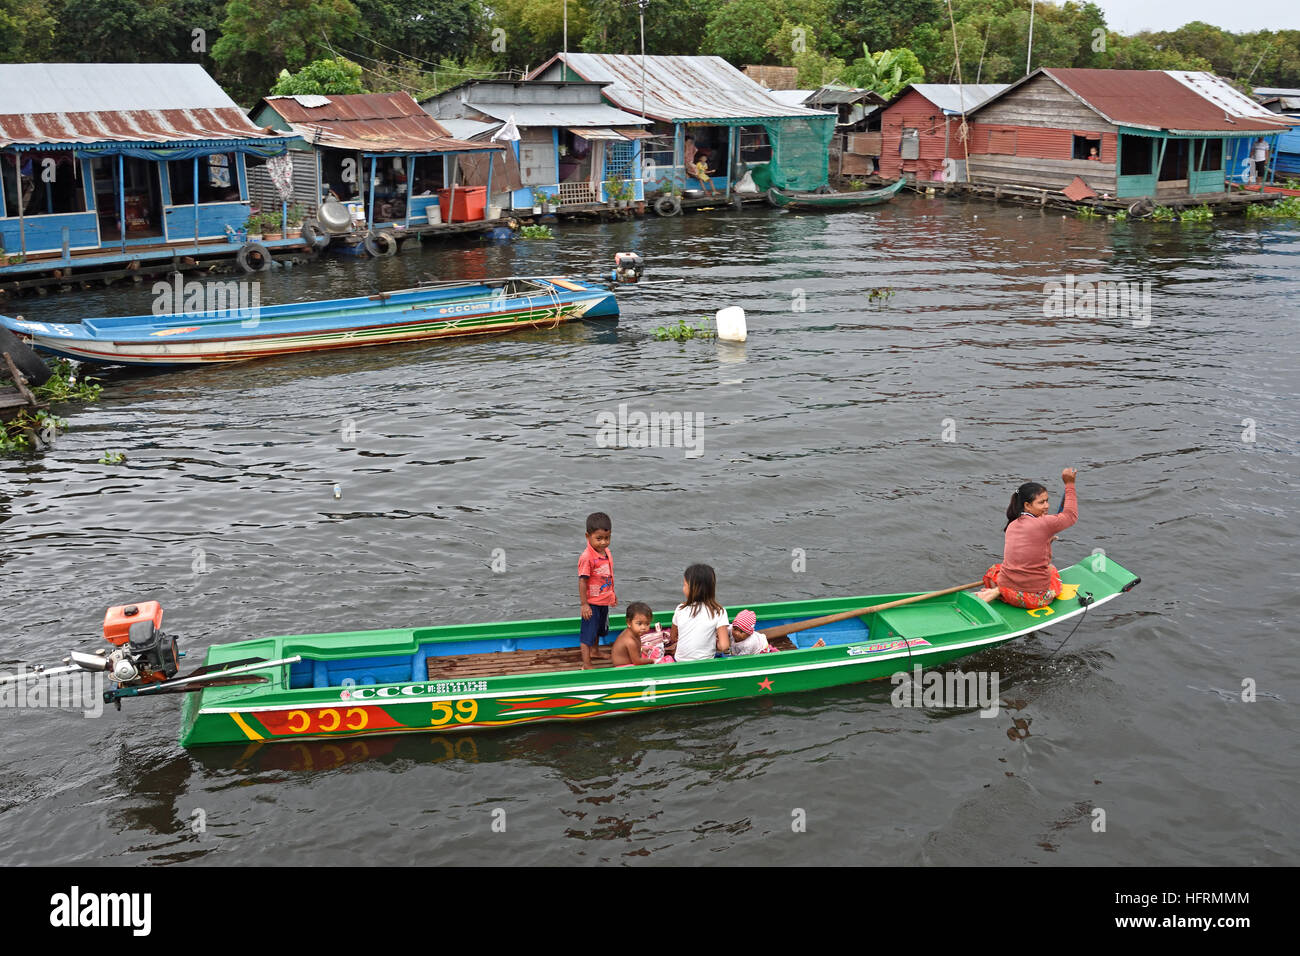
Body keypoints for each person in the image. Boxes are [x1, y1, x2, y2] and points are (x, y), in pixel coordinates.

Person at [977, 468, 1078, 609]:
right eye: (1041, 503)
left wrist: (1047, 540)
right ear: (1027, 505)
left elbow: (1028, 547)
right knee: (1052, 571)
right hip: (1031, 598)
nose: (1047, 506)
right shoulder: (1043, 523)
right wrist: (1070, 484)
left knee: (995, 570)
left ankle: (999, 589)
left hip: (1008, 585)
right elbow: (1071, 515)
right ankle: (1000, 591)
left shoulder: (1012, 524)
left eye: (1047, 501)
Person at [667, 564, 730, 662]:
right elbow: (724, 646)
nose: (683, 588)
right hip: (705, 663)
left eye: (684, 585)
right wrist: (715, 642)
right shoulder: (719, 611)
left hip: (680, 660)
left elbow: (673, 637)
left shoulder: (680, 609)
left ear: (692, 589)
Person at [578, 512, 616, 668]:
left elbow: (608, 575)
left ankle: (595, 651)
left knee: (599, 629)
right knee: (587, 634)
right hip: (592, 602)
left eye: (607, 538)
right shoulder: (587, 557)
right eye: (598, 539)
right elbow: (582, 581)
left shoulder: (606, 553)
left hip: (604, 599)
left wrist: (612, 594)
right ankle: (587, 663)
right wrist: (584, 604)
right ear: (588, 536)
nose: (603, 543)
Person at [612, 602, 656, 667]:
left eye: (647, 624)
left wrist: (641, 649)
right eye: (639, 624)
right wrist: (652, 660)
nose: (643, 627)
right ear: (629, 623)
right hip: (623, 667)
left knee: (653, 650)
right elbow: (637, 662)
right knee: (660, 660)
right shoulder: (630, 641)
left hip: (632, 660)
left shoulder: (634, 632)